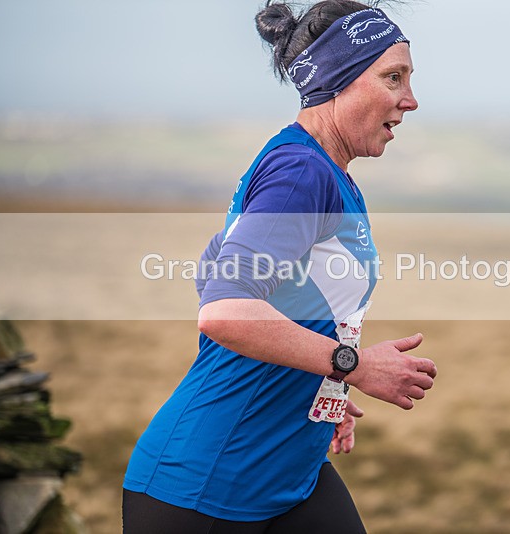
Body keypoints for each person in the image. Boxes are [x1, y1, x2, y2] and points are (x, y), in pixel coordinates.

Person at [122, 1, 437, 532]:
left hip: (288, 474)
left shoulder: (320, 169)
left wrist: (321, 385)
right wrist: (352, 366)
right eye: (393, 78)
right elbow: (223, 310)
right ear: (339, 79)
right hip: (204, 488)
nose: (410, 100)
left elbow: (217, 270)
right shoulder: (300, 172)